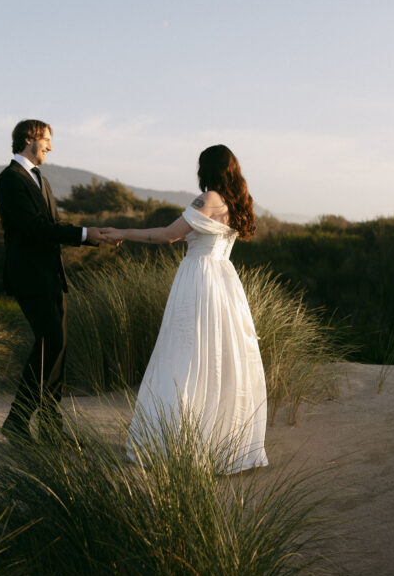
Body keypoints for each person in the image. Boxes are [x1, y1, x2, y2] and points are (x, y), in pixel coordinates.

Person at [101, 144, 268, 473]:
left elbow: (167, 236)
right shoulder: (238, 203)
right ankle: (222, 441)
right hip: (224, 282)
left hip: (198, 280)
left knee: (184, 354)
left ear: (206, 169)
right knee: (221, 358)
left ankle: (176, 441)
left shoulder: (206, 200)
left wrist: (122, 232)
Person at [0, 118, 115, 443]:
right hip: (28, 277)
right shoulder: (9, 180)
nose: (50, 145)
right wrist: (85, 234)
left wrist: (94, 235)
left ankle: (50, 427)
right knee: (52, 343)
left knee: (58, 349)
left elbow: (54, 222)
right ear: (30, 138)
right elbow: (35, 228)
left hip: (52, 277)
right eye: (47, 139)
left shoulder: (40, 180)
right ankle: (17, 420)